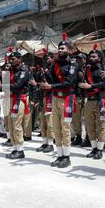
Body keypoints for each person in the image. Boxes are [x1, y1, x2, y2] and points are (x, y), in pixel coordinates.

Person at [39, 33, 79, 168]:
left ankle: (66, 157)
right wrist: (46, 74)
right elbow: (52, 80)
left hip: (67, 98)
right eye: (59, 48)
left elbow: (69, 83)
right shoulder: (55, 65)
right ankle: (59, 155)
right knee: (56, 128)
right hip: (56, 98)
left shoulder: (73, 64)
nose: (60, 50)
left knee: (65, 128)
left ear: (69, 50)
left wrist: (51, 86)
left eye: (63, 49)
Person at [78, 45, 105, 160]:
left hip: (101, 99)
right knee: (89, 125)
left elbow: (104, 84)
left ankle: (100, 149)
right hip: (89, 100)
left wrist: (90, 85)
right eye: (90, 56)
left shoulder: (103, 69)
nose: (92, 58)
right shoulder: (87, 69)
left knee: (100, 125)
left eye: (94, 56)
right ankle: (94, 148)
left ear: (99, 58)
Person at [5, 50, 30, 159]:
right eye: (11, 58)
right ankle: (15, 148)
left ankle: (20, 150)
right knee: (11, 124)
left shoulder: (24, 70)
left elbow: (18, 85)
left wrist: (3, 85)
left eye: (13, 59)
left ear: (20, 59)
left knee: (16, 124)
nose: (11, 60)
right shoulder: (11, 69)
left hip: (19, 98)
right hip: (12, 98)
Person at [35, 51, 55, 153]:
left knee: (50, 122)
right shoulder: (43, 69)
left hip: (50, 97)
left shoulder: (55, 68)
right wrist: (40, 73)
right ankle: (44, 142)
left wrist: (48, 74)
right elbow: (38, 81)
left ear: (52, 58)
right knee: (42, 122)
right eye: (44, 59)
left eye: (47, 58)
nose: (46, 60)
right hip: (42, 96)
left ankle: (50, 144)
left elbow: (54, 83)